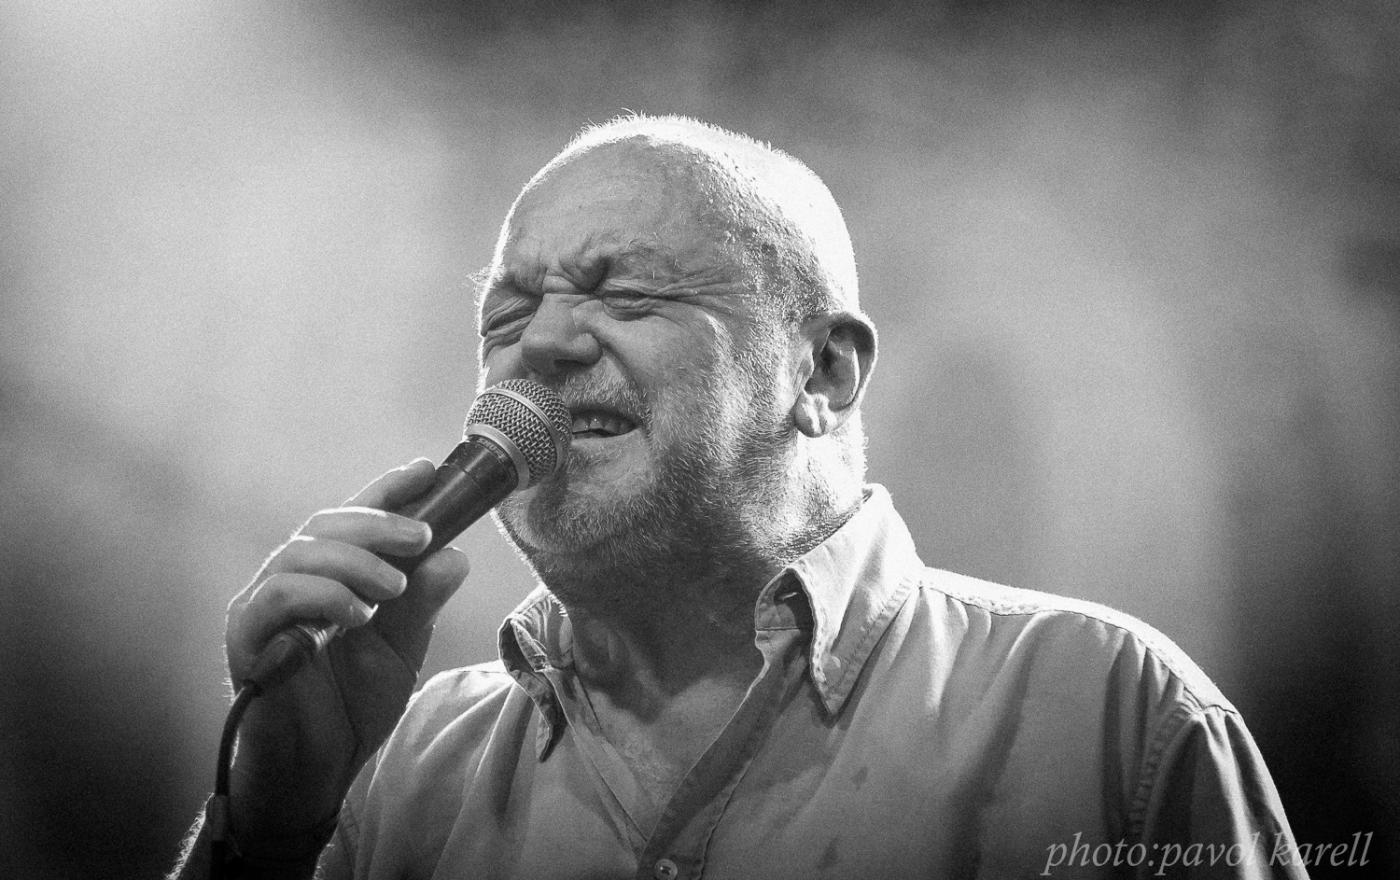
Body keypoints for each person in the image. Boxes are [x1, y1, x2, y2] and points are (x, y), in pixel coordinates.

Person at [173, 114, 1305, 879]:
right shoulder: (413, 760)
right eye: (505, 317)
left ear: (822, 373)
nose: (543, 346)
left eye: (628, 295)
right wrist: (268, 836)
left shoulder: (1108, 712)